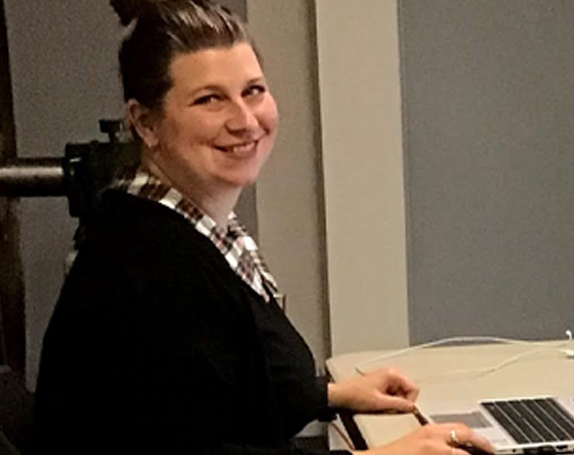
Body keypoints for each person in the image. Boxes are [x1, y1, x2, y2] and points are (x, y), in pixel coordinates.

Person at [32, 1, 495, 454]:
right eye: (209, 99)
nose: (245, 121)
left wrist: (330, 396)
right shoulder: (150, 266)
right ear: (145, 124)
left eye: (253, 91)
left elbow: (217, 386)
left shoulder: (179, 224)